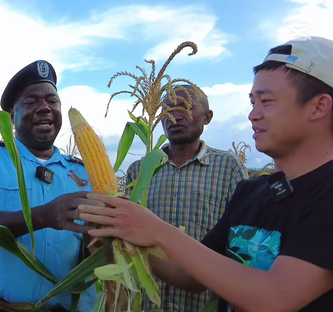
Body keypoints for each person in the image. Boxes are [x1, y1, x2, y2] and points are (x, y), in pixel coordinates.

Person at [77, 36, 333, 312]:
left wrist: (157, 230)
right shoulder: (251, 193)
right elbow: (190, 276)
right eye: (252, 102)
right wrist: (123, 238)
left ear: (319, 106)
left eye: (266, 101)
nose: (252, 115)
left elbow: (276, 297)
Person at [0, 60, 101, 312]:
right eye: (31, 101)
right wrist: (45, 216)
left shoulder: (82, 171)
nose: (44, 107)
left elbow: (91, 250)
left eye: (52, 101)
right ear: (12, 115)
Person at [124, 85, 249, 312]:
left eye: (185, 107)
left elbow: (239, 244)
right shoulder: (139, 171)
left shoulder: (228, 168)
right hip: (149, 303)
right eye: (167, 109)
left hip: (204, 303)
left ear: (207, 117)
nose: (175, 116)